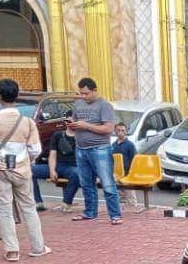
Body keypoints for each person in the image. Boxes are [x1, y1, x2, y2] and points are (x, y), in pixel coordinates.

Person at [0, 78, 51, 263]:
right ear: (17, 95)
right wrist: (27, 160)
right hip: (22, 169)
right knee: (29, 207)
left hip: (0, 169)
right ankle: (38, 247)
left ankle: (12, 250)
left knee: (3, 209)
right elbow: (35, 149)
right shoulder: (27, 122)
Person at [69, 77, 122, 224]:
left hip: (100, 149)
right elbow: (74, 123)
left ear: (95, 91)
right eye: (81, 93)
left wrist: (85, 125)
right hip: (81, 148)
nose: (83, 96)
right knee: (86, 183)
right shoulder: (78, 104)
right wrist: (71, 125)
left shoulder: (105, 106)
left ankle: (115, 215)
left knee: (107, 183)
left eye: (86, 93)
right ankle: (90, 212)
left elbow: (108, 129)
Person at [32, 127, 81, 212]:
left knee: (76, 174)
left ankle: (66, 203)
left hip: (72, 167)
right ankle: (38, 202)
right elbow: (52, 154)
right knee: (30, 171)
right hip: (56, 166)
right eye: (68, 121)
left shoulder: (82, 136)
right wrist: (52, 170)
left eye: (74, 121)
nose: (71, 123)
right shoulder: (58, 135)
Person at [113, 122, 139, 212]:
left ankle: (133, 210)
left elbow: (134, 159)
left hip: (128, 174)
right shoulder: (114, 145)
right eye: (118, 130)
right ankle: (123, 211)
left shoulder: (130, 145)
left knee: (130, 196)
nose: (121, 132)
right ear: (115, 131)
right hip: (117, 175)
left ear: (126, 131)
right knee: (121, 196)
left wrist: (132, 173)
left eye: (123, 130)